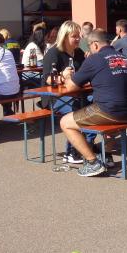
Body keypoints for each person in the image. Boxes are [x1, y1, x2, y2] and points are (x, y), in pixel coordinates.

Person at [59, 30, 127, 177]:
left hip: (112, 110)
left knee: (65, 122)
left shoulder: (94, 59)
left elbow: (71, 86)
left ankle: (92, 163)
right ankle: (108, 156)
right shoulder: (123, 57)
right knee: (108, 115)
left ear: (95, 45)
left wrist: (66, 76)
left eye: (90, 47)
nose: (89, 50)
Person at [42, 21, 88, 162]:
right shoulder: (54, 53)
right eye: (74, 36)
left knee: (96, 105)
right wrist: (62, 76)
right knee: (78, 111)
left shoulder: (79, 53)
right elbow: (48, 79)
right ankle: (72, 152)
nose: (78, 39)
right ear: (65, 36)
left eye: (78, 36)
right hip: (56, 98)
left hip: (76, 93)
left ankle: (86, 145)